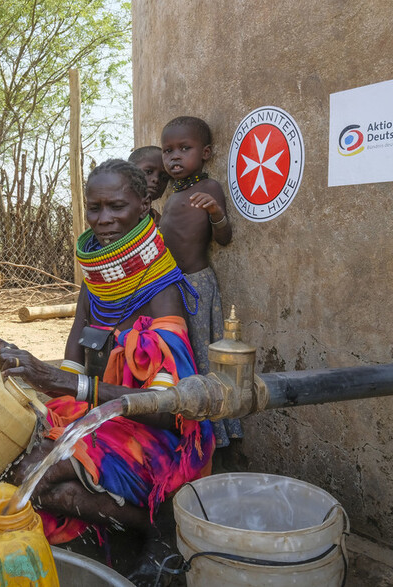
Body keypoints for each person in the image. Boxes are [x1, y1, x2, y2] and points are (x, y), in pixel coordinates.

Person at [0, 160, 214, 585]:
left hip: (156, 436)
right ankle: (126, 524)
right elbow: (70, 369)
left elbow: (168, 412)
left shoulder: (161, 290)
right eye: (95, 208)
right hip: (102, 416)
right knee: (23, 466)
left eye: (117, 206)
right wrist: (22, 363)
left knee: (38, 475)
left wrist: (64, 382)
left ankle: (159, 529)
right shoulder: (97, 280)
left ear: (144, 205)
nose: (103, 219)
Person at [158, 115, 244, 452]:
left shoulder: (208, 189)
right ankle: (191, 428)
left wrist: (216, 213)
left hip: (196, 284)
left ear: (205, 153)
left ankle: (218, 433)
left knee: (203, 355)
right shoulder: (172, 195)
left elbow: (224, 237)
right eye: (168, 151)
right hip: (172, 286)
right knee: (185, 355)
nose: (174, 157)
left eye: (184, 148)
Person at [129, 145, 170, 224]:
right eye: (148, 172)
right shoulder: (110, 212)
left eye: (164, 178)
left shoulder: (160, 223)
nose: (156, 179)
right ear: (129, 173)